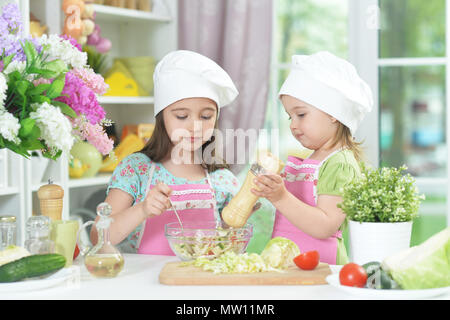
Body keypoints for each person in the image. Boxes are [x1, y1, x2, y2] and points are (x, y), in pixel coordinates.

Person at [93, 50, 241, 255]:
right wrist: (142, 209)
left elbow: (228, 248)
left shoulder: (223, 179)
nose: (195, 126)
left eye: (206, 116)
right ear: (161, 117)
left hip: (201, 282)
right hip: (144, 283)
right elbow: (98, 237)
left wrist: (238, 220)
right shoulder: (136, 169)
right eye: (182, 116)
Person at [251, 51, 373, 264]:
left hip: (320, 269)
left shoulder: (340, 164)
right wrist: (269, 189)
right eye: (290, 116)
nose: (292, 124)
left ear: (333, 112)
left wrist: (280, 197)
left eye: (301, 114)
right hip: (288, 266)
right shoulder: (309, 160)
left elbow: (325, 226)